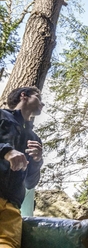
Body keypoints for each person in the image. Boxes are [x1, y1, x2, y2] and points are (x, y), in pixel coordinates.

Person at [0, 86, 44, 248]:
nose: (42, 103)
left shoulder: (34, 139)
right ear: (23, 96)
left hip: (12, 207)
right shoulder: (1, 116)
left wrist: (37, 161)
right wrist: (6, 151)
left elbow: (31, 183)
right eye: (38, 96)